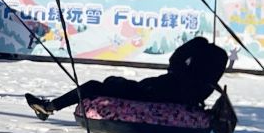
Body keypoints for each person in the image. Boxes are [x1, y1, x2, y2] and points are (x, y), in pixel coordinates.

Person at [26, 36, 228, 120]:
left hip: (148, 93)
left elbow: (175, 59)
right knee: (111, 83)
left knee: (95, 86)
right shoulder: (204, 85)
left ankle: (50, 108)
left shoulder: (182, 77)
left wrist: (196, 44)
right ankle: (50, 107)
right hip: (154, 91)